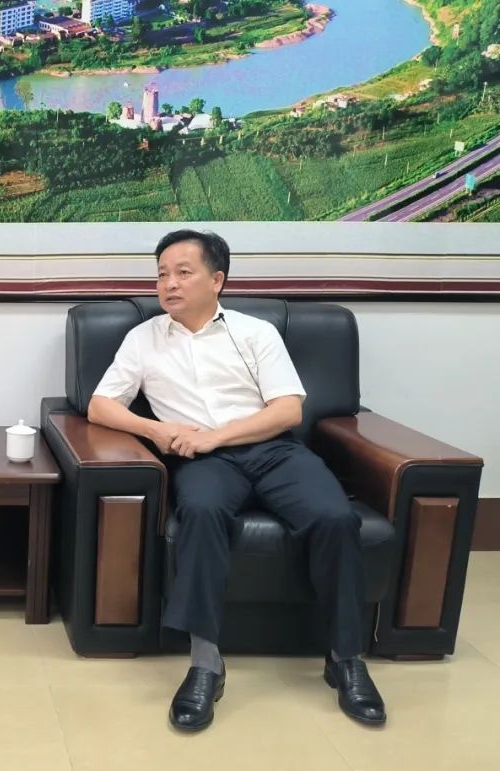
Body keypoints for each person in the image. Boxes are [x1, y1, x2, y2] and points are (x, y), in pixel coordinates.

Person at [87, 229, 386, 732]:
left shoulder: (255, 333)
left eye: (183, 272)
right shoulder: (144, 338)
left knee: (335, 517)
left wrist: (216, 436)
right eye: (161, 275)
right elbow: (100, 405)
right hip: (202, 461)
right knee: (201, 512)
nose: (169, 284)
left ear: (217, 279)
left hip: (273, 451)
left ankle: (346, 658)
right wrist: (156, 430)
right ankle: (205, 663)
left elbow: (288, 410)